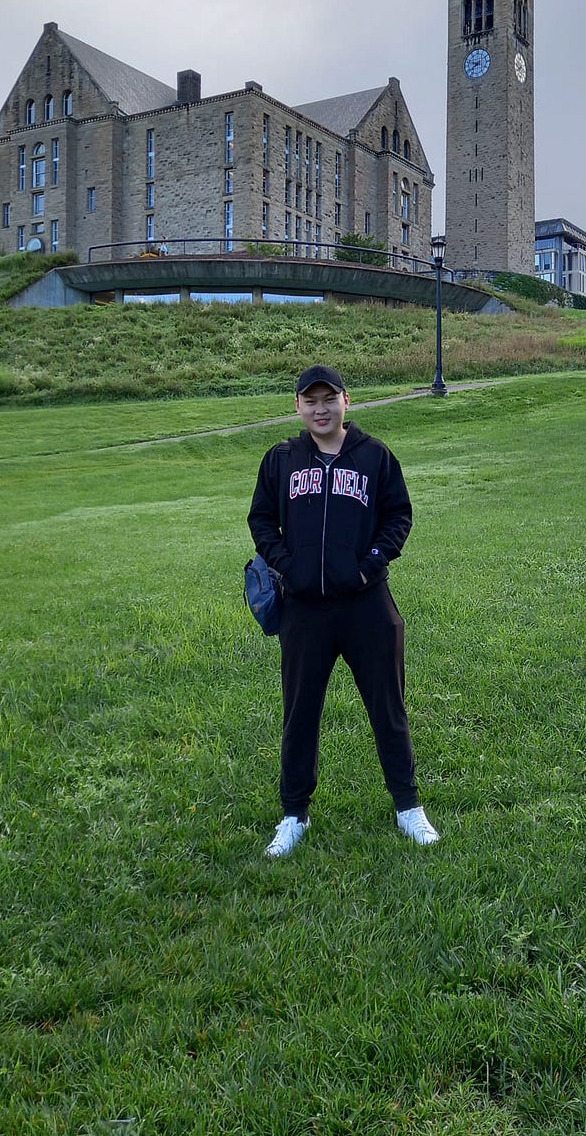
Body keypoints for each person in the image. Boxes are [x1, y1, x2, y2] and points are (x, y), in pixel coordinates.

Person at [248, 364, 439, 857]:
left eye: (328, 399)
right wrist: (286, 565)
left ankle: (408, 806)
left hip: (366, 604)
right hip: (305, 609)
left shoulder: (374, 456)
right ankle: (294, 814)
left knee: (388, 707)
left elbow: (399, 514)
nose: (319, 409)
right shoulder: (282, 459)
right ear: (297, 407)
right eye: (309, 401)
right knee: (300, 712)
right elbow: (262, 519)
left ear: (345, 401)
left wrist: (369, 565)